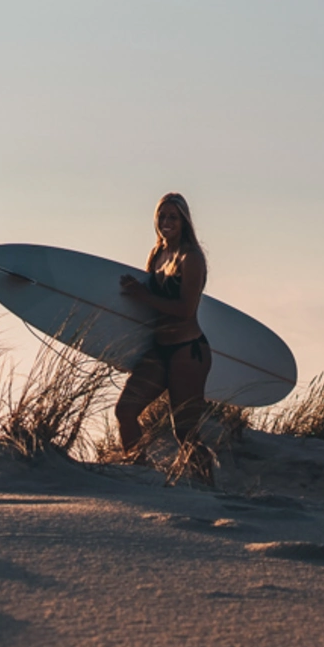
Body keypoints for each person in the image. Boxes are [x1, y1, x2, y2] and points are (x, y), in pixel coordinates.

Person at [113, 193, 214, 482]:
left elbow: (185, 309)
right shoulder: (157, 255)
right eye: (162, 216)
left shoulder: (191, 258)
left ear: (184, 221)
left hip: (188, 351)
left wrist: (143, 295)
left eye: (173, 217)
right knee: (126, 410)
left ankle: (209, 488)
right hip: (159, 350)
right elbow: (146, 314)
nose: (166, 222)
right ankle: (140, 474)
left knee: (184, 431)